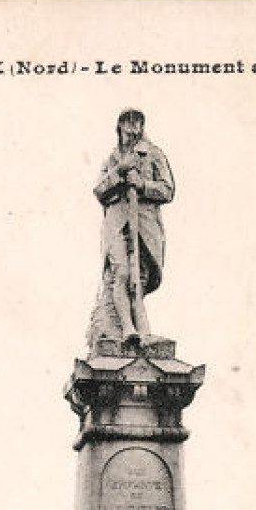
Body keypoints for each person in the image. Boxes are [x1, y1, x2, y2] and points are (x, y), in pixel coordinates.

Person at [87, 109, 175, 350]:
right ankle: (128, 329)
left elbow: (168, 190)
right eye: (128, 122)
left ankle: (143, 330)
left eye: (137, 122)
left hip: (145, 226)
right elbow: (98, 190)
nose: (133, 127)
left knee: (140, 278)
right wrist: (120, 171)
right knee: (122, 273)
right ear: (120, 126)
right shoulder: (112, 159)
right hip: (117, 224)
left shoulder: (154, 154)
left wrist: (143, 184)